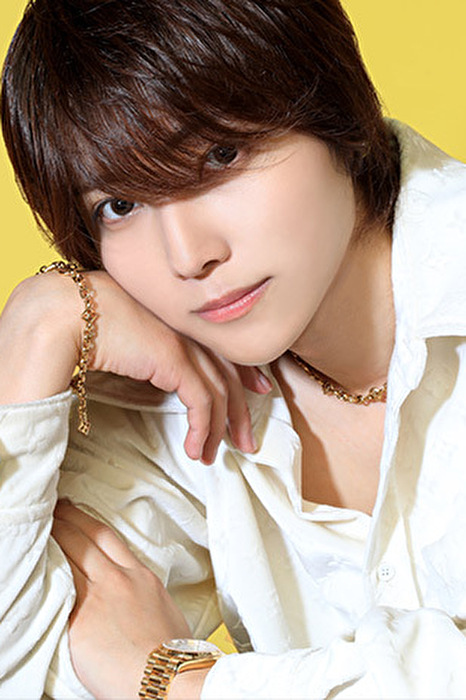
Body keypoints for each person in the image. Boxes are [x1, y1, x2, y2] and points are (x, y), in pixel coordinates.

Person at [0, 0, 466, 698]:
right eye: (120, 206)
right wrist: (36, 332)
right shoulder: (179, 397)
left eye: (221, 155)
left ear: (330, 104)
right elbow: (23, 667)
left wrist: (177, 685)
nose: (188, 256)